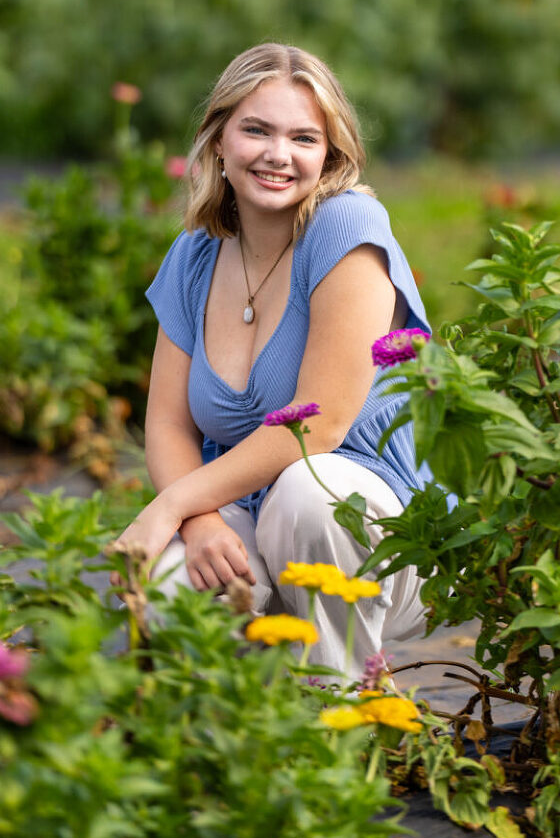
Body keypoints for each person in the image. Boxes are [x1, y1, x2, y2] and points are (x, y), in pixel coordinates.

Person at [113, 43, 435, 678]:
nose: (277, 155)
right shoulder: (194, 254)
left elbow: (320, 426)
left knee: (305, 497)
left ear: (329, 154)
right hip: (246, 509)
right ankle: (229, 747)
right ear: (219, 142)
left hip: (375, 522)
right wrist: (199, 522)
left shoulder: (347, 229)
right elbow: (170, 425)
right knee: (169, 584)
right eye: (256, 129)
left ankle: (339, 711)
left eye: (303, 138)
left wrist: (169, 506)